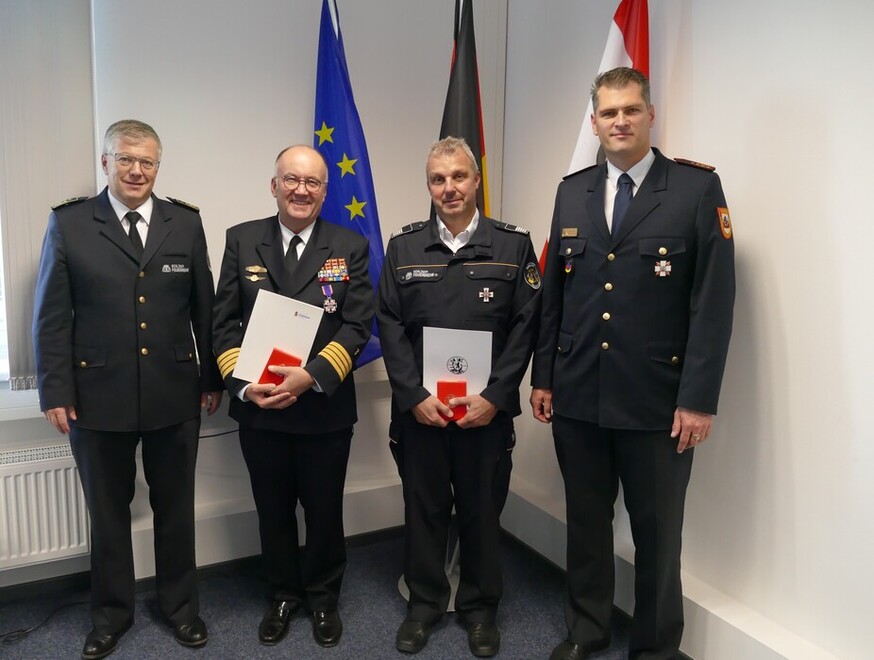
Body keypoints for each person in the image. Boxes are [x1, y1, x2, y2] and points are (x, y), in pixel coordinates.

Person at [530, 67, 736, 660]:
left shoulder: (697, 191)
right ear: (593, 122)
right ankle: (587, 630)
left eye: (630, 110)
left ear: (651, 116)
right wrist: (544, 377)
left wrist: (698, 398)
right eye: (608, 112)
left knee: (657, 536)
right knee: (587, 528)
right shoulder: (574, 191)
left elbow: (713, 303)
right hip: (579, 396)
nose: (619, 121)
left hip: (657, 403)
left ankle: (654, 648)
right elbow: (554, 295)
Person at [33, 119, 223, 659]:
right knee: (109, 514)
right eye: (125, 159)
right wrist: (55, 390)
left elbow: (203, 309)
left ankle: (181, 610)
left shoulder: (184, 223)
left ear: (158, 166)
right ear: (106, 162)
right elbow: (51, 315)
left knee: (175, 509)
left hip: (173, 394)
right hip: (97, 396)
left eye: (147, 162)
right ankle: (112, 616)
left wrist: (210, 378)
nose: (137, 170)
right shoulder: (70, 223)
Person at [377, 137, 541, 658]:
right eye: (437, 179)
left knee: (480, 511)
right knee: (423, 509)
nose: (449, 188)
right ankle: (424, 604)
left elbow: (526, 326)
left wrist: (495, 396)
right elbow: (388, 324)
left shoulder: (513, 245)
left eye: (459, 177)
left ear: (476, 181)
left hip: (484, 416)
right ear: (428, 185)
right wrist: (412, 395)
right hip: (422, 413)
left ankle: (479, 608)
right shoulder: (403, 248)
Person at [212, 144, 372, 650]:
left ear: (325, 191)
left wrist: (312, 375)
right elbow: (223, 324)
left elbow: (357, 325)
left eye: (313, 183)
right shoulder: (242, 240)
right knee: (273, 510)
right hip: (260, 409)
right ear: (274, 185)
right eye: (292, 180)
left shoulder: (351, 244)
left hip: (322, 408)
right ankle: (282, 595)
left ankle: (324, 598)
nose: (302, 190)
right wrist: (243, 383)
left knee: (324, 511)